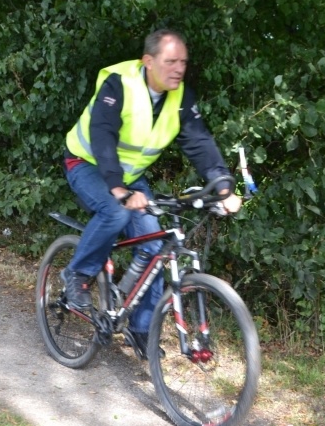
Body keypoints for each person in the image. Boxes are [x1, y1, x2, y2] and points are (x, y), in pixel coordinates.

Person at [62, 29, 242, 357]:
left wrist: (224, 187)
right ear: (148, 61)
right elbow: (101, 134)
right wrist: (117, 188)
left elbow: (199, 142)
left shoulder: (180, 97)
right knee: (115, 212)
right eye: (170, 61)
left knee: (156, 245)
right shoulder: (120, 85)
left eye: (183, 62)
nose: (179, 68)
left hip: (130, 176)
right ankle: (78, 273)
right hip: (86, 164)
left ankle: (141, 329)